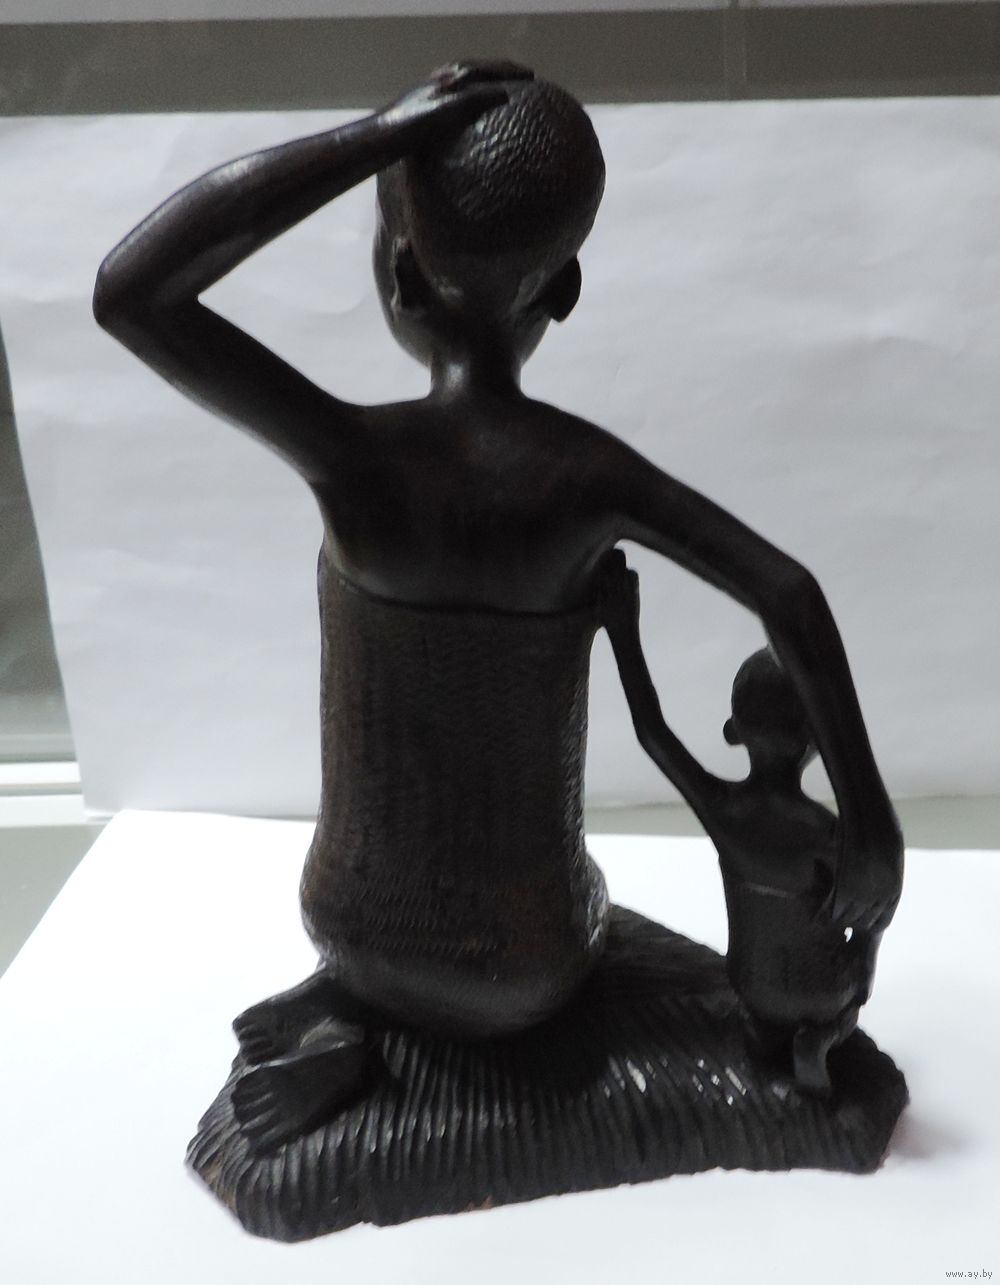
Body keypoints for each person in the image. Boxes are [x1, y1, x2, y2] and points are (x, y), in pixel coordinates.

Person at [94, 62, 902, 1147]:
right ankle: (374, 1034)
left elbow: (132, 290)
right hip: (529, 968)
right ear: (563, 290)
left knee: (418, 906)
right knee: (596, 922)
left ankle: (357, 1019)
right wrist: (871, 823)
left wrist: (377, 136)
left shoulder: (353, 462)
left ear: (399, 276)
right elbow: (788, 593)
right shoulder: (588, 479)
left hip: (347, 924)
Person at [600, 552, 887, 1093]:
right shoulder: (829, 834)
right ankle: (823, 1035)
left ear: (733, 731)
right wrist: (865, 969)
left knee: (766, 1010)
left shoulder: (723, 811)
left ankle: (766, 1031)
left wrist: (621, 630)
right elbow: (869, 918)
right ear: (816, 743)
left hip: (753, 985)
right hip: (822, 990)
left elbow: (651, 732)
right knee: (857, 965)